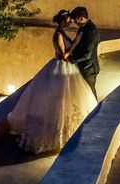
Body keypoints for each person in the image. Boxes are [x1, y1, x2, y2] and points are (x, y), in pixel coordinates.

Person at [7, 9, 97, 153]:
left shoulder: (63, 33)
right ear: (63, 21)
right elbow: (64, 55)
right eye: (68, 20)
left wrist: (74, 42)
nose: (70, 22)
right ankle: (56, 134)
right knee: (58, 100)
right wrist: (75, 43)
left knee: (69, 98)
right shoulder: (58, 35)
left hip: (68, 69)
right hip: (60, 67)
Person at [67, 6, 100, 99]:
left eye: (75, 20)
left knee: (90, 94)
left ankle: (95, 111)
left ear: (81, 18)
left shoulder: (90, 31)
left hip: (89, 68)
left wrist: (70, 59)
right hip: (85, 67)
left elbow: (87, 55)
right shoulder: (84, 27)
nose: (74, 23)